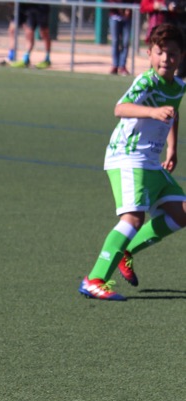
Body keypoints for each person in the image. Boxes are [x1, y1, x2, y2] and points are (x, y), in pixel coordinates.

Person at [80, 23, 186, 301]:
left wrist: (172, 150)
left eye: (172, 53)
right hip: (127, 157)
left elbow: (173, 114)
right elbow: (120, 108)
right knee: (133, 218)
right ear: (150, 54)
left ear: (181, 56)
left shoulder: (178, 87)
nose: (166, 59)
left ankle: (127, 251)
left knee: (181, 213)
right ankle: (94, 279)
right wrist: (152, 112)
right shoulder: (146, 82)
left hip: (151, 161)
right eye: (160, 53)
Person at [0, 3, 51, 69]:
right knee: (13, 29)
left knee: (43, 32)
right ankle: (11, 56)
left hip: (39, 6)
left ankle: (47, 58)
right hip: (22, 6)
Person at [109, 0, 136, 75]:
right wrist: (118, 7)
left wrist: (129, 8)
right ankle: (115, 65)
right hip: (115, 16)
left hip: (127, 18)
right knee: (115, 41)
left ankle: (122, 66)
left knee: (126, 42)